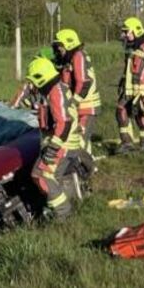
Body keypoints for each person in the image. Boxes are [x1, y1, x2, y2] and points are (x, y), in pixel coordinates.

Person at [26, 57, 79, 219]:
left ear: (41, 78)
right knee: (53, 177)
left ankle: (63, 212)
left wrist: (52, 149)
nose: (32, 86)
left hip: (63, 144)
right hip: (64, 143)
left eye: (33, 81)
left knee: (41, 174)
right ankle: (62, 206)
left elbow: (64, 123)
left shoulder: (55, 92)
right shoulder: (54, 90)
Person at [54, 28, 101, 155]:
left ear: (69, 44)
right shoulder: (71, 59)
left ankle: (83, 168)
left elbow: (84, 82)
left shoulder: (78, 56)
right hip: (81, 106)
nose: (58, 50)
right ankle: (88, 165)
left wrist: (73, 102)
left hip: (86, 107)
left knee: (79, 140)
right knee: (82, 138)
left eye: (60, 46)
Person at [118, 17, 144, 152]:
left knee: (140, 117)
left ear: (136, 31)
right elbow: (129, 68)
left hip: (141, 91)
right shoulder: (131, 48)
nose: (125, 35)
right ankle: (126, 142)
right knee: (121, 112)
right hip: (128, 90)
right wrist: (123, 81)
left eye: (127, 32)